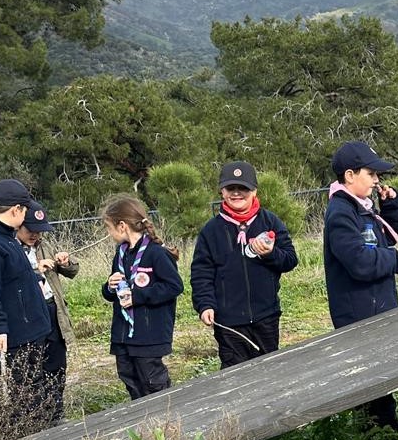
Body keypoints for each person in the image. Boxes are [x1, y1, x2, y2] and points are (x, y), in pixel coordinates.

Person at [324, 140, 398, 428]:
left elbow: (387, 235)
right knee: (369, 375)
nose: (376, 181)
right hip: (359, 310)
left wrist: (392, 205)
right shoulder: (341, 213)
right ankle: (374, 431)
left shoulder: (362, 208)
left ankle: (386, 425)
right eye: (371, 174)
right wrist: (394, 261)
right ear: (350, 175)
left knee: (383, 371)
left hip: (377, 304)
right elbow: (359, 262)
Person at [191, 161, 298, 369]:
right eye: (231, 188)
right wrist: (205, 304)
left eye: (244, 188)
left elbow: (290, 260)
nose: (237, 194)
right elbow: (201, 273)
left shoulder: (270, 222)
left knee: (268, 370)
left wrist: (270, 254)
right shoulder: (210, 231)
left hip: (266, 316)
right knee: (235, 376)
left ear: (255, 191)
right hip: (229, 322)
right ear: (222, 191)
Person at [0, 179, 52, 434]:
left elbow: (16, 279)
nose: (25, 215)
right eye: (25, 210)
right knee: (19, 401)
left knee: (36, 396)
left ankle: (39, 438)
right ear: (16, 209)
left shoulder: (8, 240)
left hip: (32, 332)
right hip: (15, 338)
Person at [101, 195, 184, 400]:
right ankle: (142, 426)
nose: (108, 233)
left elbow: (174, 286)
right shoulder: (121, 253)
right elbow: (114, 291)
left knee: (152, 382)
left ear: (122, 226)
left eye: (108, 227)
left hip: (149, 334)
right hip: (123, 335)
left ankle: (164, 425)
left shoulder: (156, 253)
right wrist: (109, 287)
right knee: (129, 377)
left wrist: (138, 296)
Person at [15, 201, 79, 424]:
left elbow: (72, 271)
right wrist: (35, 270)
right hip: (31, 315)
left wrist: (66, 260)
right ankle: (36, 416)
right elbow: (12, 281)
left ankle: (56, 413)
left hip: (53, 311)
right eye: (29, 229)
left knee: (57, 363)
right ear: (17, 225)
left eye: (39, 229)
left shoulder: (44, 245)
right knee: (34, 366)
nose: (34, 234)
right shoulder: (10, 249)